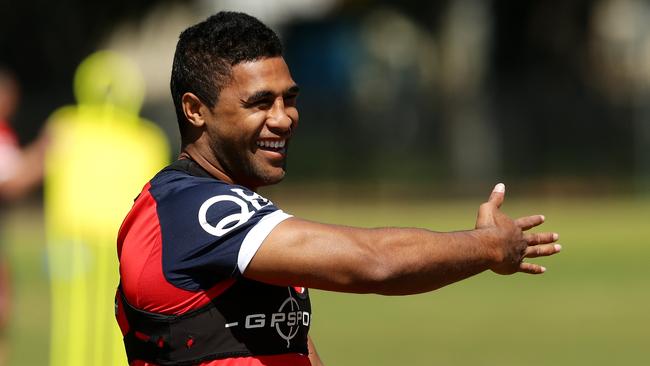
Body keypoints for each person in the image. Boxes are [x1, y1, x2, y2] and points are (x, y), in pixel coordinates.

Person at [115, 11, 561, 366]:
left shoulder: (240, 215)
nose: (284, 118)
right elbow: (375, 263)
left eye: (288, 98)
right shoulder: (189, 210)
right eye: (259, 102)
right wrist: (486, 247)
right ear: (195, 110)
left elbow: (291, 349)